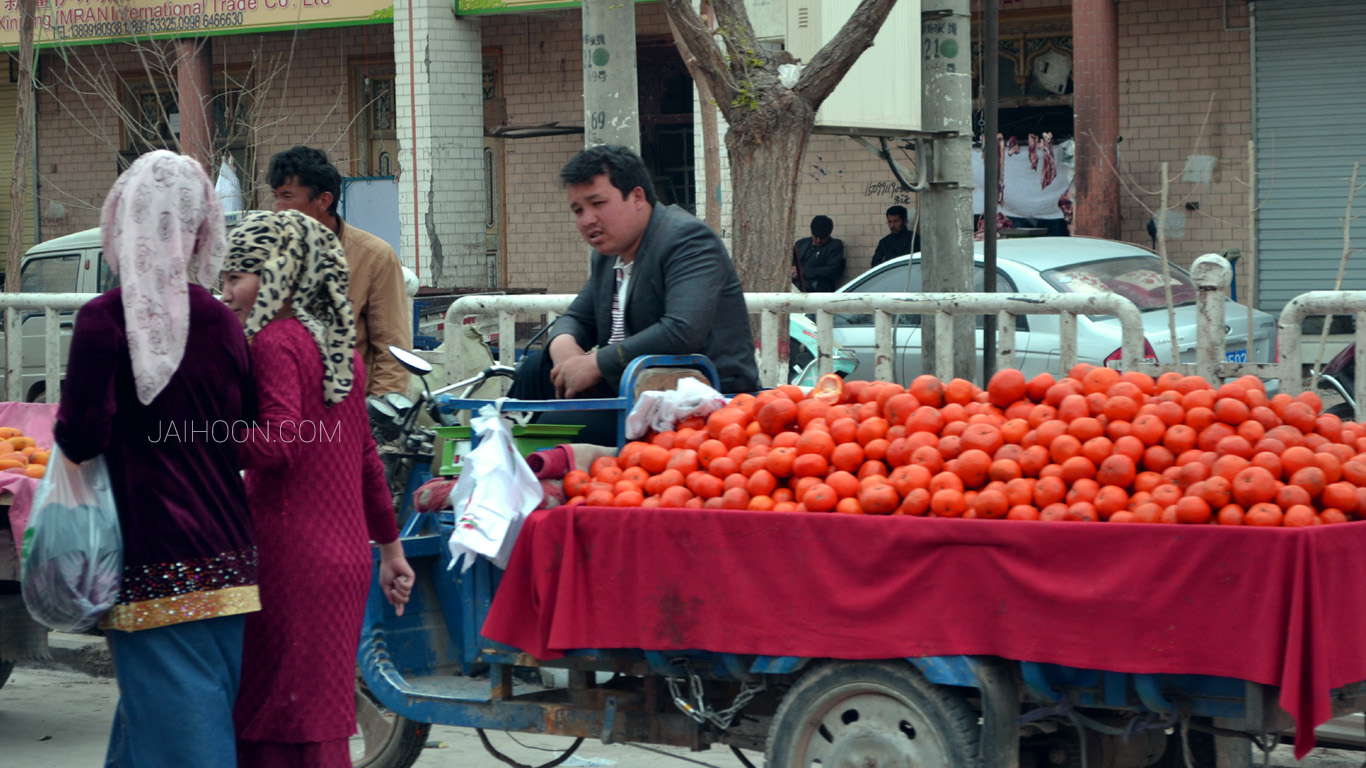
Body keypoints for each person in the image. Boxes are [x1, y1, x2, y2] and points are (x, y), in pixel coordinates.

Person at [53, 150, 259, 768]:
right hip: (229, 562)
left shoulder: (102, 322)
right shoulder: (223, 324)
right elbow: (240, 429)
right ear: (200, 228)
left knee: (183, 744)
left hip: (152, 562)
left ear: (123, 220)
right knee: (160, 727)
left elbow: (80, 438)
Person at [221, 210, 414, 767]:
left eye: (239, 277)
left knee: (276, 720)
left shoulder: (275, 343)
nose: (228, 293)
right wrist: (392, 551)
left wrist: (203, 442)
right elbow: (365, 462)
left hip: (290, 558)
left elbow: (279, 441)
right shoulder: (340, 351)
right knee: (317, 716)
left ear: (282, 273)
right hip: (344, 561)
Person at [507, 145, 759, 445]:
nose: (588, 219)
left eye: (597, 203)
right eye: (578, 210)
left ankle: (523, 468)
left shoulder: (687, 240)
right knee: (538, 369)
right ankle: (491, 458)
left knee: (556, 425)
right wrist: (564, 348)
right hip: (630, 390)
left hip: (693, 401)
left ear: (637, 197)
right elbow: (576, 317)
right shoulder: (609, 254)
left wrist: (596, 364)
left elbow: (682, 330)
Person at [267, 145, 412, 397]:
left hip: (345, 410)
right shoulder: (265, 253)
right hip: (280, 408)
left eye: (288, 197)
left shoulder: (373, 257)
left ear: (324, 200)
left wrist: (375, 417)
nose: (277, 208)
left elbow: (393, 352)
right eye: (276, 196)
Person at [791, 214, 845, 292]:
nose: (819, 240)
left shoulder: (835, 246)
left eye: (822, 238)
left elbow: (832, 270)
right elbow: (792, 262)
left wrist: (802, 272)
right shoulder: (801, 244)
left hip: (817, 286)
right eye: (816, 237)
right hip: (796, 283)